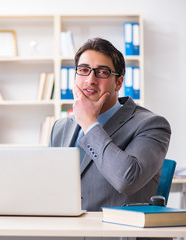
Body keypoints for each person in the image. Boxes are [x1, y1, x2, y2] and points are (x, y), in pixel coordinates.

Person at [49, 38, 171, 211]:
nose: (90, 80)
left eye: (102, 72)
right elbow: (49, 187)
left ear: (119, 83)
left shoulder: (152, 125)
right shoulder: (59, 128)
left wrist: (89, 123)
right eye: (83, 70)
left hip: (118, 233)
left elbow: (127, 180)